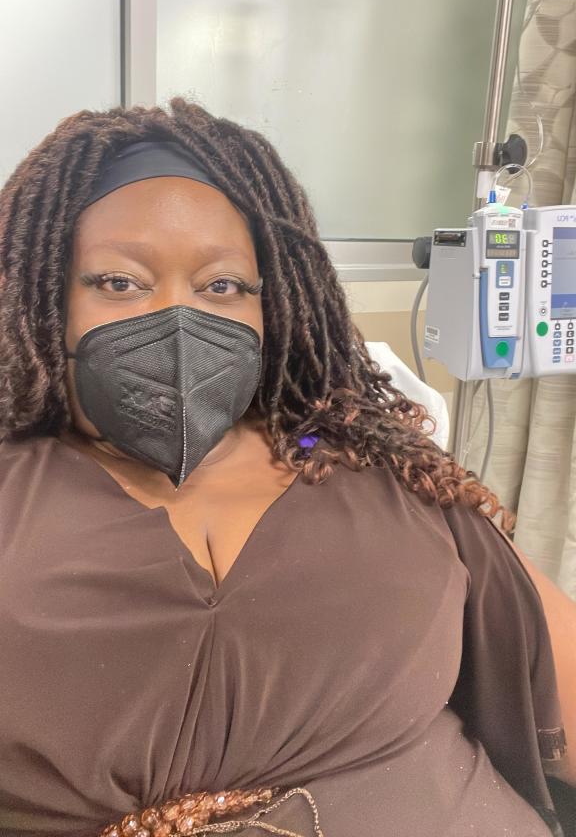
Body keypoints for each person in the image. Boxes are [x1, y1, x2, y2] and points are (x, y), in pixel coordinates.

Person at [0, 98, 574, 837]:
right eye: (120, 282)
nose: (178, 320)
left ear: (278, 308)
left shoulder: (389, 471)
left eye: (222, 287)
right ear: (42, 297)